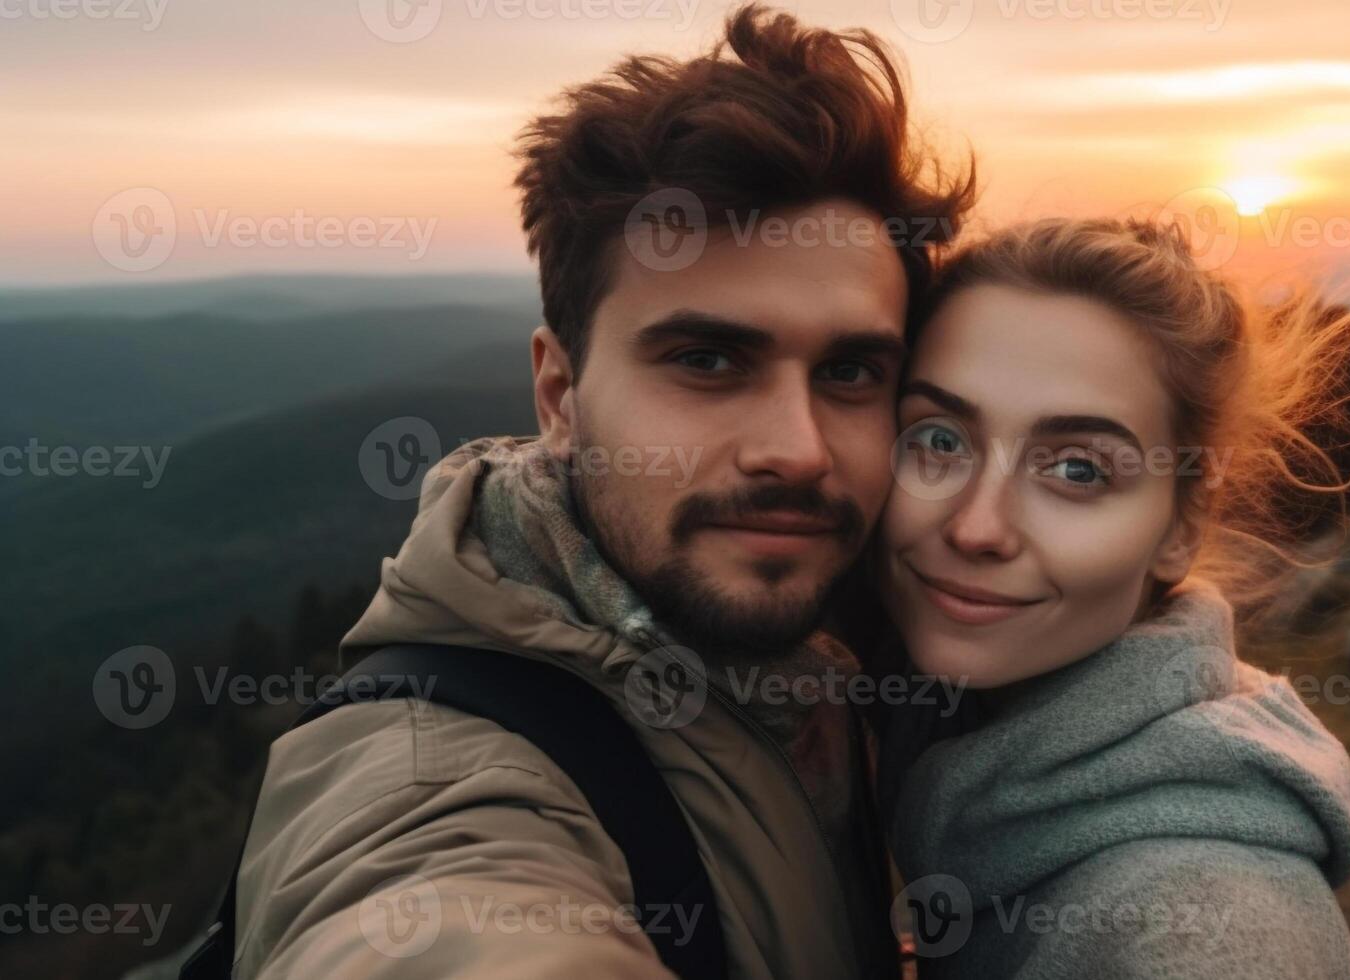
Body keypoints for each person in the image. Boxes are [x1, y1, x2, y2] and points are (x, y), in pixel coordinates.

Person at [229, 6, 972, 977]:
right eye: (706, 359)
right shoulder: (429, 771)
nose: (797, 450)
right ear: (558, 395)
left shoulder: (884, 646)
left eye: (848, 373)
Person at [875, 218, 1350, 978]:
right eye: (939, 440)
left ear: (1182, 525)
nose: (977, 528)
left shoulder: (1204, 936)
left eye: (1076, 470)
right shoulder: (926, 735)